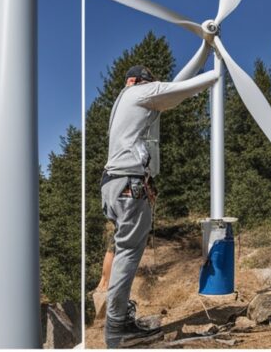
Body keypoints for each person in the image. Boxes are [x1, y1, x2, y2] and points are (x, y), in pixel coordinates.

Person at [102, 60, 220, 348]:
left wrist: (204, 49)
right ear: (143, 82)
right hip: (128, 184)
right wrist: (218, 72)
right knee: (128, 253)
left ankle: (120, 319)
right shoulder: (141, 93)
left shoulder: (127, 99)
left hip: (113, 184)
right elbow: (183, 89)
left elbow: (175, 88)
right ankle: (117, 327)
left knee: (122, 251)